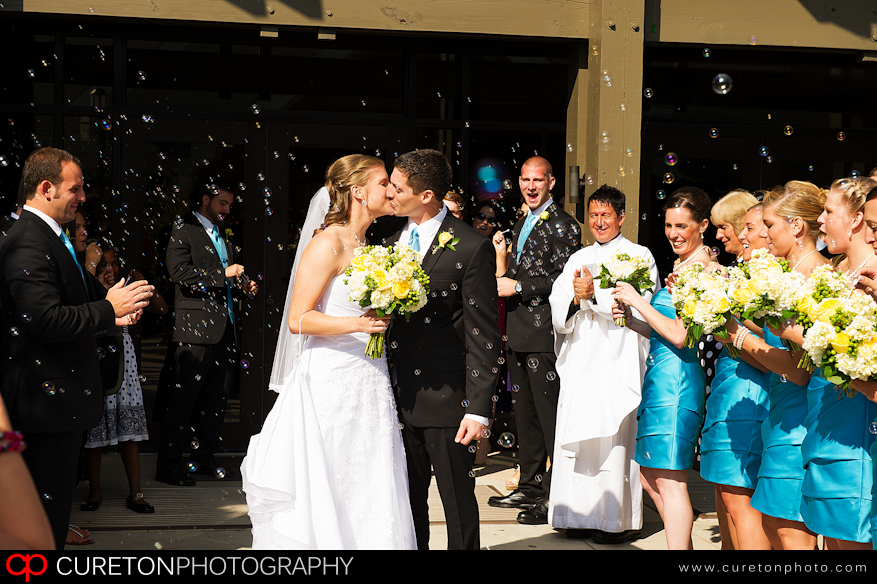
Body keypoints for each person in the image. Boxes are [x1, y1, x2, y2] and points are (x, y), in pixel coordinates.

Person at [241, 154, 416, 550]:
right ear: (358, 192)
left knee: (370, 478)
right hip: (330, 383)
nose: (391, 190)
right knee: (330, 476)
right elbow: (297, 319)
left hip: (370, 378)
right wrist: (357, 324)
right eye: (383, 182)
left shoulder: (369, 244)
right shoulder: (328, 243)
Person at [0, 147, 153, 549]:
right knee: (41, 524)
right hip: (44, 406)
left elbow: (71, 307)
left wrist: (112, 314)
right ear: (46, 188)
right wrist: (106, 309)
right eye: (76, 188)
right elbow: (45, 321)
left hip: (59, 403)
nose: (83, 197)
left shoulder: (52, 237)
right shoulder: (27, 243)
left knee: (51, 513)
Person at [385, 149, 501, 550]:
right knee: (407, 502)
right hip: (395, 395)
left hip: (448, 399)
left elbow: (483, 335)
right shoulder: (388, 241)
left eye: (397, 188)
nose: (390, 193)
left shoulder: (471, 246)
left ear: (427, 195)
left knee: (456, 504)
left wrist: (478, 408)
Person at [719, 180, 828, 550]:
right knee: (772, 528)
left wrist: (738, 338)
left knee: (789, 532)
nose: (762, 233)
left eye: (769, 224)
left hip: (801, 421)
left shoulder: (817, 279)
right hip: (779, 416)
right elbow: (774, 336)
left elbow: (799, 370)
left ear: (796, 226)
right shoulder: (787, 277)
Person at [770, 177, 877, 550]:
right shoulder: (833, 273)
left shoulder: (872, 277)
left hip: (856, 429)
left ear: (857, 219)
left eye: (829, 213)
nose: (821, 221)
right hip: (822, 419)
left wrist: (802, 338)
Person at [546, 185, 657, 544]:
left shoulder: (639, 256)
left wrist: (594, 294)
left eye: (606, 215)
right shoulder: (578, 257)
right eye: (593, 215)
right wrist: (577, 302)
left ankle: (614, 519)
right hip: (582, 357)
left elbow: (643, 303)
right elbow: (559, 301)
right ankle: (573, 514)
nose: (599, 222)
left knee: (613, 438)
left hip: (617, 358)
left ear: (621, 217)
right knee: (576, 433)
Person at [612, 187, 713, 550]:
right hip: (660, 378)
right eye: (669, 225)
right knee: (648, 477)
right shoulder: (682, 265)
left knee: (670, 481)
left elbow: (682, 336)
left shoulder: (701, 268)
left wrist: (638, 300)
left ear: (703, 225)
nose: (673, 233)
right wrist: (633, 320)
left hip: (678, 384)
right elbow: (665, 330)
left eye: (682, 225)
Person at [490, 156, 582, 525]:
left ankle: (556, 495)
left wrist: (519, 286)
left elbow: (563, 280)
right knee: (523, 415)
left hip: (544, 332)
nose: (530, 186)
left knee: (548, 418)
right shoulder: (522, 219)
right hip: (518, 331)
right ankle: (529, 484)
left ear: (552, 183)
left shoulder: (564, 225)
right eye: (525, 180)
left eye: (538, 180)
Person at [157, 177, 258, 486]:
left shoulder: (223, 235)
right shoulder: (183, 228)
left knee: (216, 400)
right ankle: (169, 466)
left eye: (230, 204)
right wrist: (222, 274)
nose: (227, 209)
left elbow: (221, 282)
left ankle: (204, 459)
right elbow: (178, 273)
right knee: (183, 400)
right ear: (205, 200)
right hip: (194, 330)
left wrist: (243, 288)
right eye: (222, 203)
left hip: (225, 329)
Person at [700, 190, 772, 550]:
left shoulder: (765, 277)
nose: (722, 235)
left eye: (726, 226)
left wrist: (728, 329)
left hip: (750, 390)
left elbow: (766, 342)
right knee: (724, 498)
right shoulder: (737, 273)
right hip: (728, 387)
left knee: (739, 498)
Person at [80, 245, 168, 515]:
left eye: (113, 264)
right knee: (96, 427)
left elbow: (162, 308)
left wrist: (143, 285)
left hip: (124, 360)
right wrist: (94, 277)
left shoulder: (124, 288)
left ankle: (136, 492)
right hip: (96, 358)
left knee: (129, 430)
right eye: (102, 264)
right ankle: (95, 490)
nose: (110, 270)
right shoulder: (87, 284)